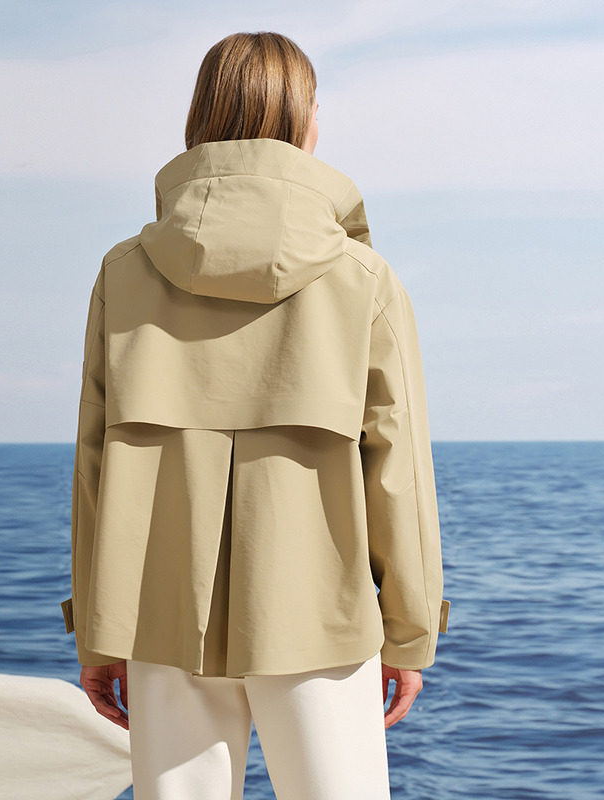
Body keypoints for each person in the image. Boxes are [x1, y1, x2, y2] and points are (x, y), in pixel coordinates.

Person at [60, 31, 449, 799]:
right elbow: (397, 471)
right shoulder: (364, 279)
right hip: (322, 618)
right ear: (303, 119)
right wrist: (410, 631)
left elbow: (94, 464)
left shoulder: (123, 273)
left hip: (160, 617)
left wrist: (100, 630)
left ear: (200, 116)